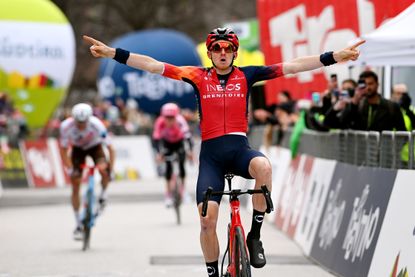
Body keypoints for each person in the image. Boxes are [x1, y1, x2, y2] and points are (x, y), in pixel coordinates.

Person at [84, 28, 363, 276]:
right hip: (212, 159)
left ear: (234, 52)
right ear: (209, 53)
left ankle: (254, 236)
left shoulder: (248, 74)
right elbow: (153, 66)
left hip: (241, 150)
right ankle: (212, 273)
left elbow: (293, 66)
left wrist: (334, 57)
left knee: (264, 168)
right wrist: (112, 54)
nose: (222, 52)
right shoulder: (197, 75)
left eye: (227, 48)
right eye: (216, 48)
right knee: (207, 222)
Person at [59, 103, 115, 240]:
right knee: (75, 182)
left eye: (84, 122)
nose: (81, 125)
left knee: (103, 170)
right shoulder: (66, 127)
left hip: (95, 147)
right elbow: (63, 150)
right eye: (78, 122)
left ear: (89, 119)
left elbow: (111, 149)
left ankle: (103, 195)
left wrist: (110, 170)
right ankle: (78, 223)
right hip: (78, 150)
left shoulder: (97, 125)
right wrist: (70, 167)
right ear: (73, 119)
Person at [324, 71, 406, 132]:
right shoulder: (356, 105)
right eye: (364, 85)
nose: (367, 87)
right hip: (360, 152)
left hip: (383, 152)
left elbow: (402, 133)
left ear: (377, 84)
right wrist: (354, 102)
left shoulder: (391, 106)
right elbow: (332, 123)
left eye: (370, 84)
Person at [152, 102, 194, 207]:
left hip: (179, 143)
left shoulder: (180, 121)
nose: (169, 120)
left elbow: (188, 137)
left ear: (176, 116)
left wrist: (190, 152)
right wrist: (158, 154)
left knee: (182, 166)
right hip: (167, 144)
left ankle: (183, 192)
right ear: (163, 116)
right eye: (167, 117)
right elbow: (156, 139)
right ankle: (168, 195)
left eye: (172, 117)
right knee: (168, 169)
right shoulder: (160, 122)